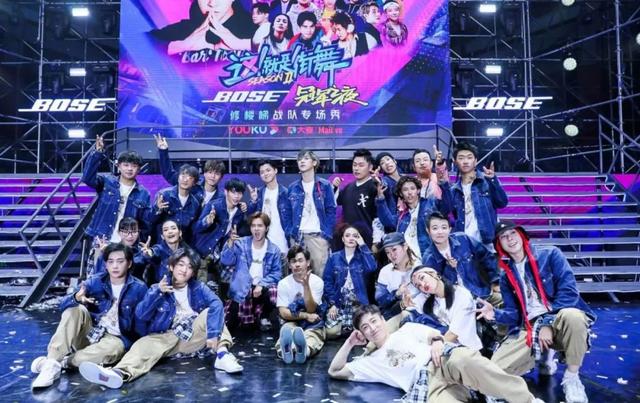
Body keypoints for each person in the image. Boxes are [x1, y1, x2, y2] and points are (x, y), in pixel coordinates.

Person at [78, 248, 243, 389]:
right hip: (163, 337)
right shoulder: (156, 288)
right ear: (171, 266)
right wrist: (158, 293)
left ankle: (222, 355)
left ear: (193, 272)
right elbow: (141, 314)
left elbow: (216, 304)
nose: (184, 270)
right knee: (142, 346)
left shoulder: (198, 288)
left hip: (190, 337)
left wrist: (213, 334)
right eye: (181, 265)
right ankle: (118, 374)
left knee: (211, 313)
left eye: (189, 267)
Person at [476, 221, 597, 403]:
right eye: (504, 237)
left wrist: (547, 323)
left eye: (513, 233)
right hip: (530, 327)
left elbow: (569, 293)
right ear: (499, 245)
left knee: (573, 316)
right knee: (495, 371)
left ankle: (572, 378)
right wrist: (495, 314)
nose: (510, 239)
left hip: (559, 317)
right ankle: (542, 355)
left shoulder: (550, 254)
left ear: (522, 235)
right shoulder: (506, 276)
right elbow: (515, 314)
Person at [328, 305, 543, 403]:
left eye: (374, 321)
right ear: (363, 333)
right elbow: (335, 371)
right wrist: (349, 342)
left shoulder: (406, 329)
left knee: (467, 360)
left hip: (440, 360)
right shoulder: (370, 362)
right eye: (365, 327)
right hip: (426, 384)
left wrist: (438, 341)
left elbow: (433, 335)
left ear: (383, 320)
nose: (372, 328)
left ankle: (526, 400)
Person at [31, 243, 148, 389]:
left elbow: (143, 320)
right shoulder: (95, 281)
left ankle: (55, 363)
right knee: (74, 309)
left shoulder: (139, 288)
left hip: (115, 339)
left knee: (112, 350)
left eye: (120, 261)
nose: (115, 266)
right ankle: (52, 361)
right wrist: (76, 297)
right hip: (91, 331)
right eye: (111, 261)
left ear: (129, 264)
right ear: (105, 264)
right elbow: (63, 305)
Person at [82, 135, 151, 243]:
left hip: (127, 242)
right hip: (102, 239)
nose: (129, 169)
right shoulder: (107, 182)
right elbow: (87, 178)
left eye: (134, 166)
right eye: (126, 165)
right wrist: (97, 153)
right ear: (118, 166)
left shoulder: (143, 193)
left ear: (139, 169)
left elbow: (145, 222)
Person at [422, 212, 501, 306]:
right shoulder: (429, 259)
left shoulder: (463, 239)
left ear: (450, 229)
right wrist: (450, 268)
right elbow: (440, 289)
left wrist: (495, 281)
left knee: (507, 301)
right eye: (435, 228)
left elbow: (486, 257)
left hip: (482, 293)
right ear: (428, 231)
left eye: (444, 227)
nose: (440, 232)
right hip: (457, 304)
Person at [220, 212, 282, 331]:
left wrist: (262, 284)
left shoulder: (274, 250)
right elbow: (226, 261)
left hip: (262, 288)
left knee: (274, 291)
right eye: (253, 226)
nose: (256, 229)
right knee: (235, 325)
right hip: (243, 287)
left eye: (260, 226)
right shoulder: (241, 243)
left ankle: (265, 315)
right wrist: (230, 243)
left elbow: (277, 273)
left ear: (266, 228)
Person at [408, 266, 483, 351]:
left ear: (434, 274)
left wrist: (434, 349)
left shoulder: (462, 295)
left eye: (422, 278)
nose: (422, 284)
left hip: (468, 350)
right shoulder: (429, 301)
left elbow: (453, 334)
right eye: (418, 286)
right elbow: (408, 311)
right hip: (446, 348)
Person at [450, 141, 508, 249]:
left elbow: (502, 203)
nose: (465, 161)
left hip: (487, 242)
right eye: (461, 158)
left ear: (475, 160)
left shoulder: (486, 181)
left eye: (469, 157)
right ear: (455, 162)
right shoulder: (454, 190)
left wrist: (493, 180)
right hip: (464, 243)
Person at [376, 176, 451, 259]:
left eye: (412, 188)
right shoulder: (402, 217)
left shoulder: (430, 204)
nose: (409, 192)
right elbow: (387, 221)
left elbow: (447, 207)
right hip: (408, 260)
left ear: (418, 190)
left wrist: (444, 185)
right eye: (405, 190)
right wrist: (380, 199)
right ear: (401, 193)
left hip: (427, 258)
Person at [288, 149, 336, 277]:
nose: (302, 161)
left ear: (314, 162)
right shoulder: (293, 187)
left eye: (306, 158)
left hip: (318, 237)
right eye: (299, 159)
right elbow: (287, 213)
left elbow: (331, 211)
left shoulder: (325, 185)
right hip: (297, 236)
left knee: (320, 276)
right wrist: (290, 231)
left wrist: (326, 235)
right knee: (298, 277)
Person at [275, 246, 326, 364]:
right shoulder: (283, 283)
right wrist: (305, 315)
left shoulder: (317, 282)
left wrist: (306, 286)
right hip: (293, 320)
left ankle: (304, 351)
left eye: (300, 260)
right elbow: (283, 312)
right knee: (286, 331)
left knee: (312, 336)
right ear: (289, 265)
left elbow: (312, 309)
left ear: (308, 263)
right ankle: (285, 351)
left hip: (313, 321)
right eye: (293, 261)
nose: (297, 264)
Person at [323, 226, 377, 338]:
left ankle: (352, 328)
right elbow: (327, 281)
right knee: (331, 332)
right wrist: (332, 304)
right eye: (347, 236)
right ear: (343, 239)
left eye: (355, 236)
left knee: (365, 331)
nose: (351, 238)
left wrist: (363, 245)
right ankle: (349, 328)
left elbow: (372, 267)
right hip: (339, 301)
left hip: (358, 303)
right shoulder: (334, 257)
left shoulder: (362, 257)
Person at [193, 178, 248, 278]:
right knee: (202, 284)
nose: (236, 196)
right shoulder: (214, 205)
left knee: (229, 282)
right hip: (204, 252)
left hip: (222, 255)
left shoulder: (240, 211)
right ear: (226, 192)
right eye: (233, 192)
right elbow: (197, 228)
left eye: (239, 193)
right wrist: (207, 221)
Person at [159, 0, 255, 54]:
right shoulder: (178, 31)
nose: (212, 3)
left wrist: (245, 45)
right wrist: (180, 46)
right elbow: (149, 47)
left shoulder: (257, 29)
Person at [155, 135, 226, 207]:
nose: (212, 176)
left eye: (217, 174)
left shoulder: (222, 198)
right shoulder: (192, 182)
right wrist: (163, 152)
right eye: (210, 172)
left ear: (221, 177)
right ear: (204, 173)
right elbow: (169, 174)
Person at [333, 149, 379, 247]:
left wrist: (376, 240)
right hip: (348, 239)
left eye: (361, 165)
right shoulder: (348, 187)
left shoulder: (375, 187)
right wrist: (334, 187)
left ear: (370, 167)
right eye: (354, 165)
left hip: (368, 239)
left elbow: (378, 217)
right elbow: (335, 202)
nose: (356, 168)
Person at [246, 160, 291, 254]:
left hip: (281, 243)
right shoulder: (258, 193)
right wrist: (253, 201)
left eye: (268, 170)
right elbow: (249, 217)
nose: (265, 174)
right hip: (262, 243)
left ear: (275, 170)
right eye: (262, 172)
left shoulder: (286, 193)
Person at [375, 232, 422, 321]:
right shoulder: (385, 272)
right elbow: (381, 301)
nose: (392, 255)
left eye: (394, 249)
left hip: (421, 311)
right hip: (397, 315)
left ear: (405, 246)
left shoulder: (419, 266)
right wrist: (397, 293)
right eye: (388, 252)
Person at [151, 164, 201, 243]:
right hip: (162, 244)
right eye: (183, 176)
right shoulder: (164, 195)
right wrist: (157, 209)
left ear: (194, 183)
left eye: (190, 178)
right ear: (178, 178)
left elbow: (192, 230)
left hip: (182, 245)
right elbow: (150, 220)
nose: (185, 180)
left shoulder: (195, 204)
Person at [140, 219, 189, 284]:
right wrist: (148, 253)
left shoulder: (187, 251)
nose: (170, 231)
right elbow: (153, 252)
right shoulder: (159, 249)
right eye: (166, 230)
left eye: (173, 228)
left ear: (180, 233)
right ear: (162, 236)